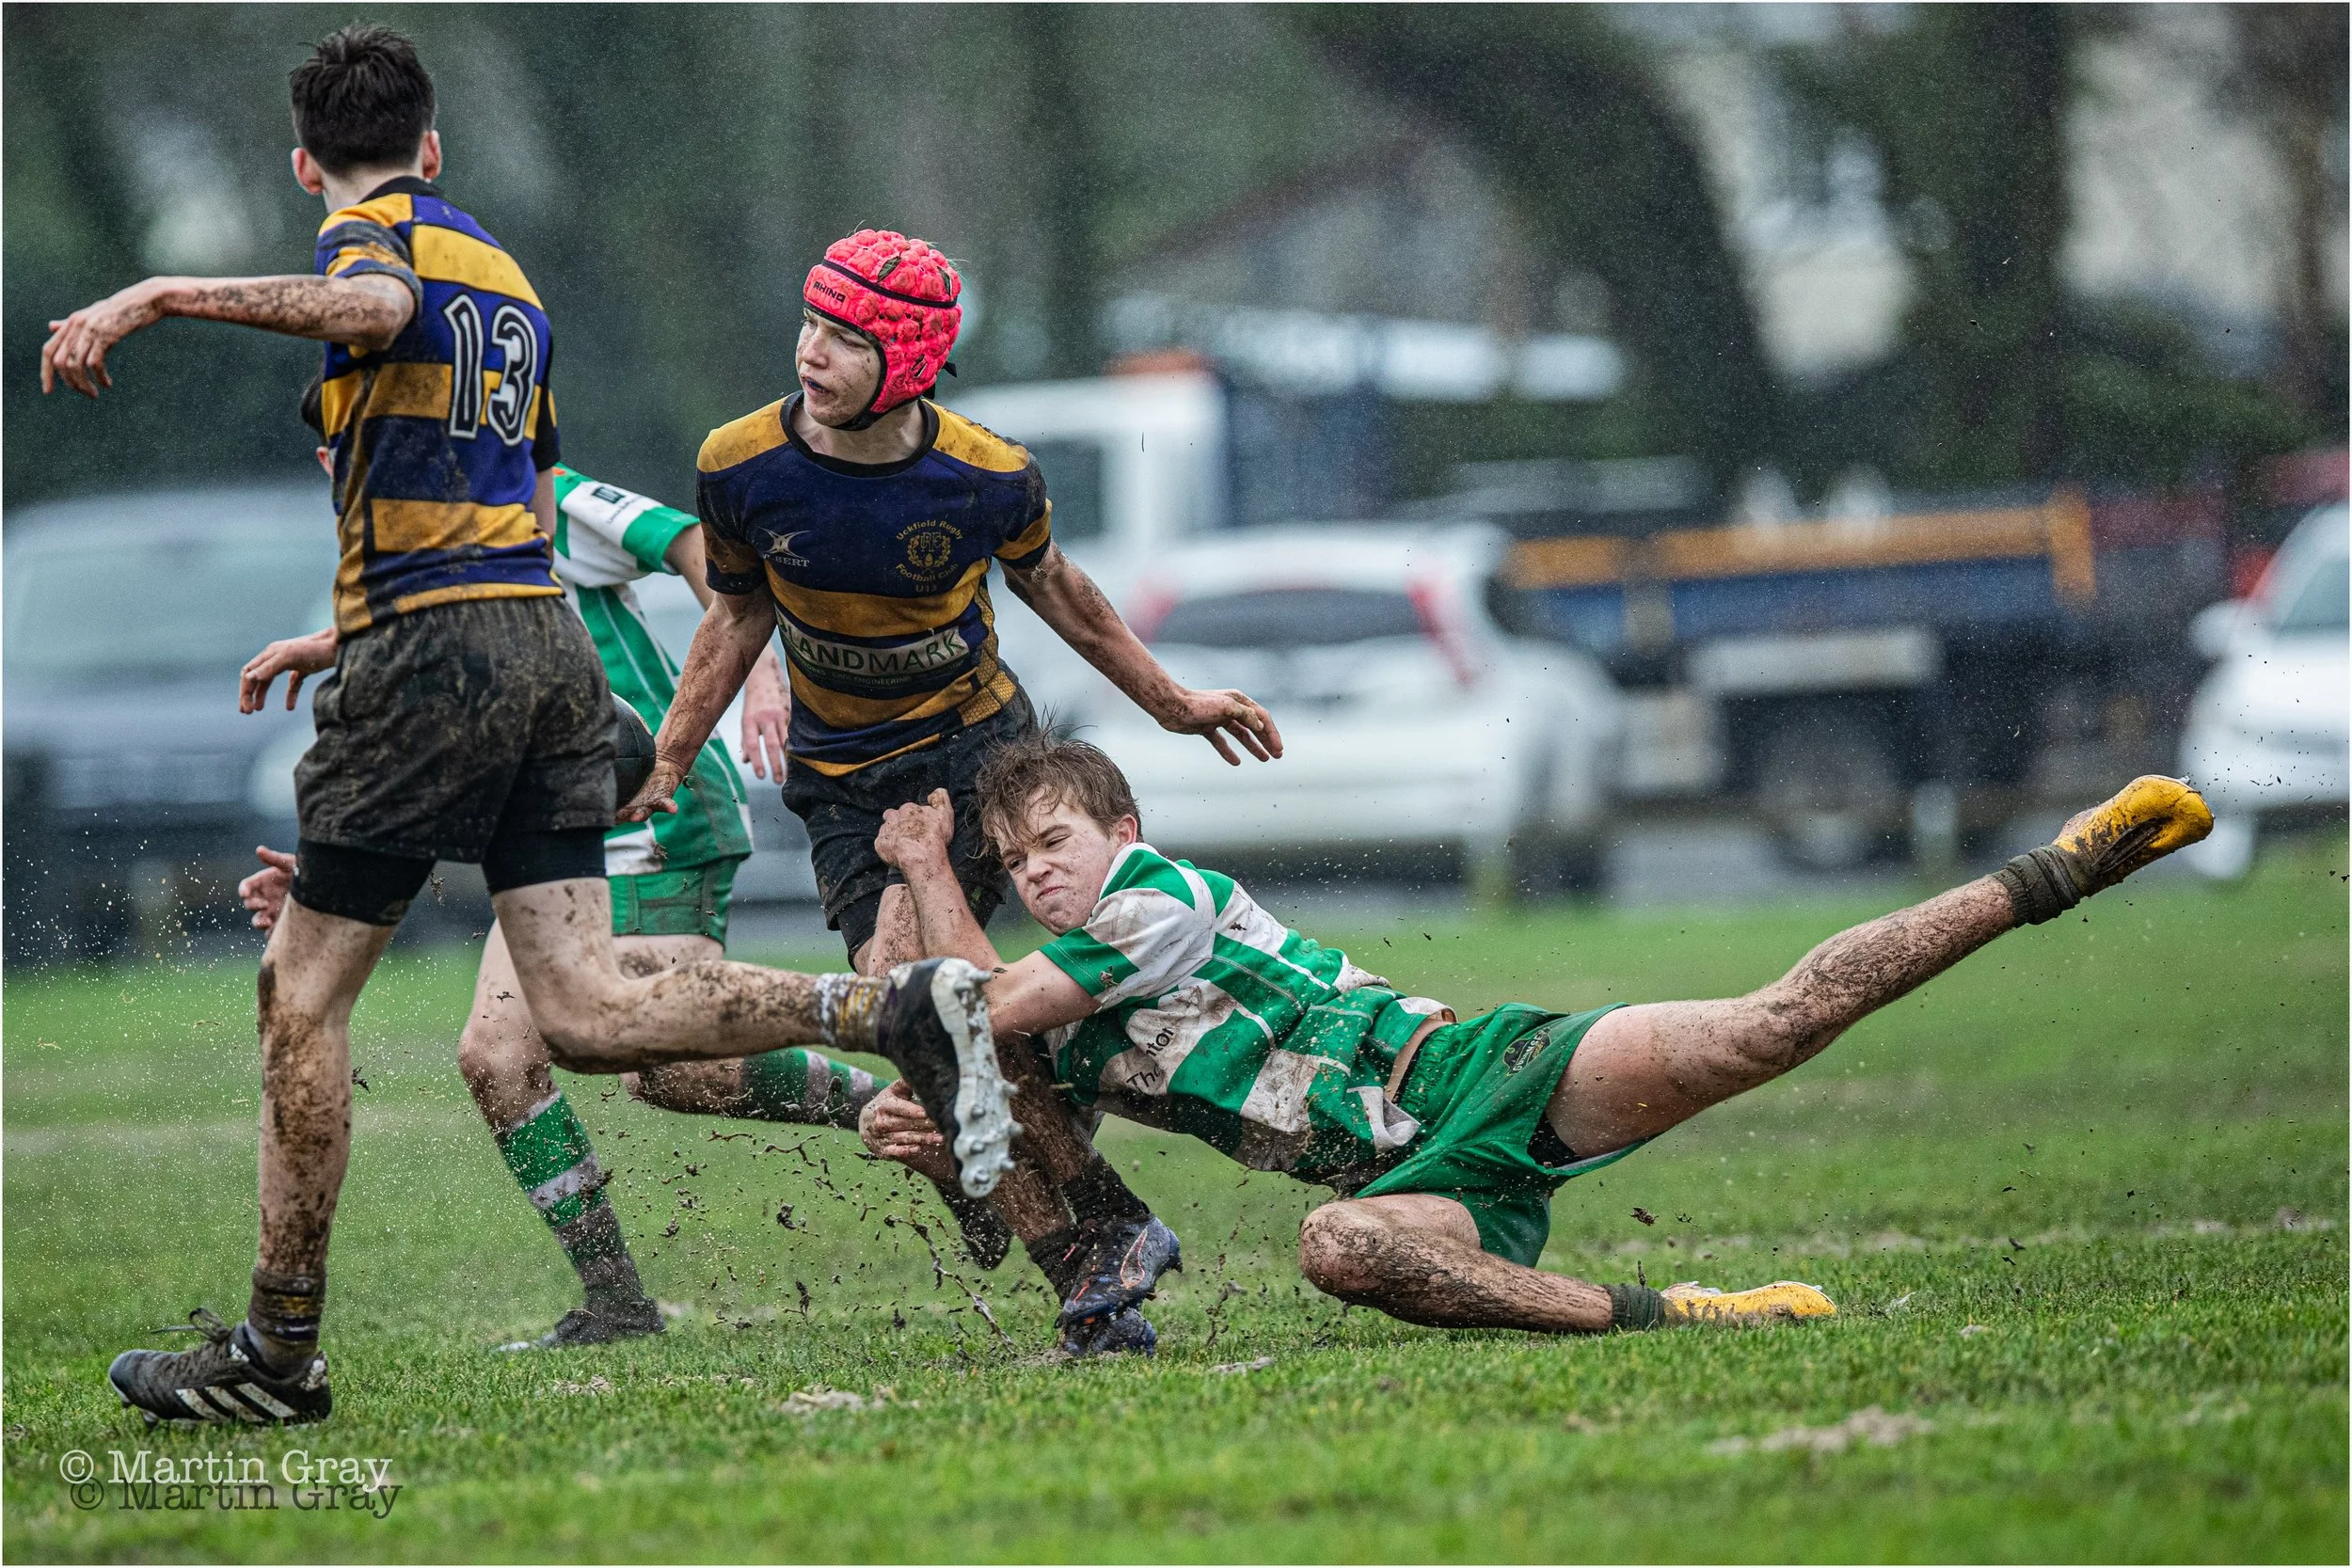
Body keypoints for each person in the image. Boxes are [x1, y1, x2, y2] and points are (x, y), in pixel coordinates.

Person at [60, 26, 1026, 1428]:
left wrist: (162, 292)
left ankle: (277, 1351)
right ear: (435, 147)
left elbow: (379, 312)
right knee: (577, 1012)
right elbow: (516, 490)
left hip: (441, 646)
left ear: (303, 166)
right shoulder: (507, 279)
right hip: (536, 648)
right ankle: (888, 1006)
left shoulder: (367, 254)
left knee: (302, 994)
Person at [859, 734, 2216, 1335]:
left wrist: (925, 865)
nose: (1037, 870)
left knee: (1779, 1020)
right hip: (1418, 1178)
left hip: (1474, 1070)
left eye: (1057, 843)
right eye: (1013, 859)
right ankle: (1681, 1312)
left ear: (1122, 836)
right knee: (1340, 1246)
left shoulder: (1159, 897)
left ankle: (2067, 863)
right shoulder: (1073, 1002)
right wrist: (922, 1130)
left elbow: (991, 1002)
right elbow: (1003, 1074)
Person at [621, 228, 1287, 1351]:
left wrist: (1171, 701)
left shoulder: (984, 473)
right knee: (916, 1020)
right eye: (809, 323)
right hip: (841, 784)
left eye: (844, 336)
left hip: (975, 753)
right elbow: (734, 616)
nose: (811, 353)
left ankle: (1072, 1252)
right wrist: (674, 754)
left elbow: (1061, 591)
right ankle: (1095, 1221)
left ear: (912, 362)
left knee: (917, 994)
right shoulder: (739, 461)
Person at [235, 456, 1013, 1350]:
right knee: (543, 1059)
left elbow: (695, 545)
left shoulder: (540, 492)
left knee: (632, 1055)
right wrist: (335, 870)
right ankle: (623, 1294)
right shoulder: (401, 562)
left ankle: (910, 1094)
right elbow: (439, 734)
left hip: (651, 806)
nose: (349, 458)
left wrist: (761, 671)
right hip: (546, 832)